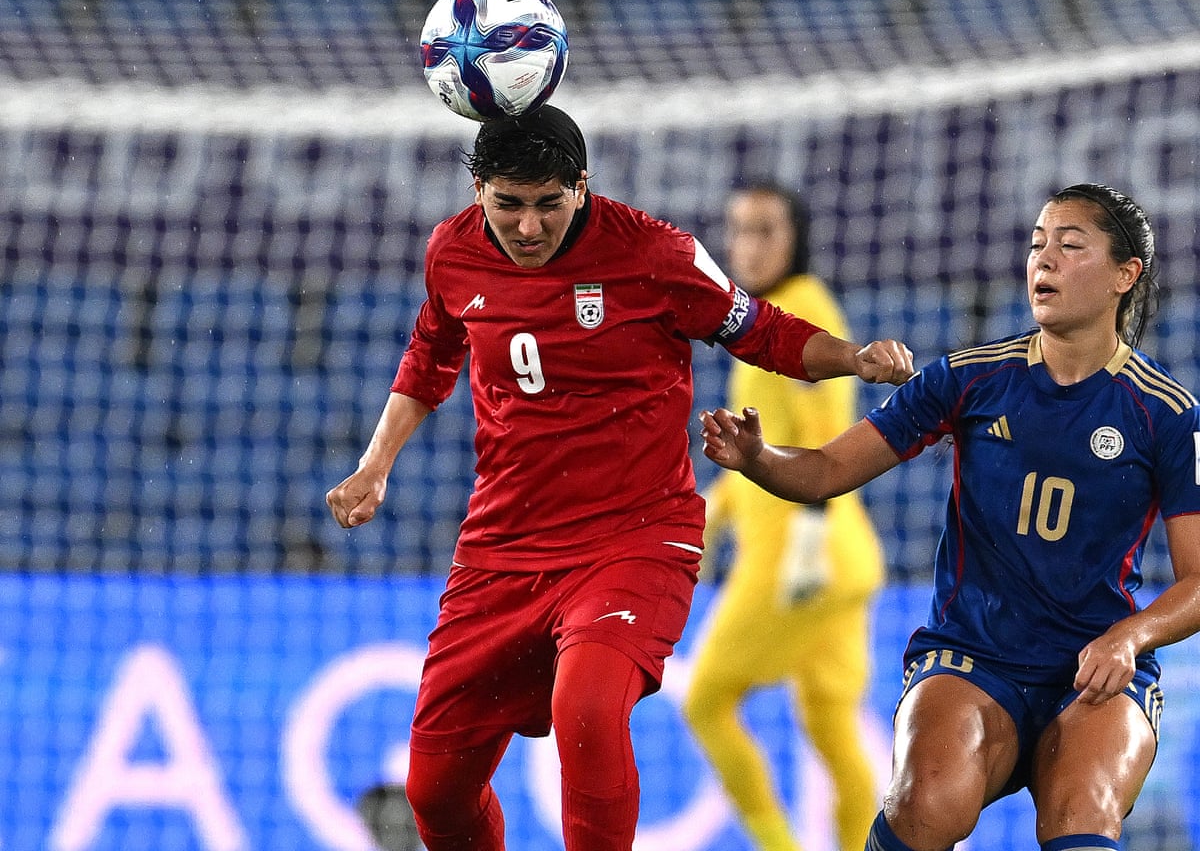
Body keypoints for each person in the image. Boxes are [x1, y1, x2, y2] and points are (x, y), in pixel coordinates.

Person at [325, 104, 914, 851]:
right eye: (509, 204)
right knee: (435, 793)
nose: (529, 226)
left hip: (634, 538)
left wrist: (853, 357)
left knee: (590, 710)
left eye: (549, 203)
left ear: (582, 187)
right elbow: (430, 357)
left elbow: (758, 330)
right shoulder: (453, 253)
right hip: (503, 548)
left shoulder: (654, 253)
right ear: (478, 190)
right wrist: (375, 466)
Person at [699, 183, 1200, 851]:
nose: (1043, 262)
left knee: (1083, 818)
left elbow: (1197, 581)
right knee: (922, 804)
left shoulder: (1166, 413)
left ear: (1124, 274)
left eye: (1070, 247)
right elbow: (824, 470)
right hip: (972, 657)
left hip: (1095, 670)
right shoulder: (970, 378)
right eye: (1036, 245)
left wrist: (1130, 638)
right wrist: (760, 458)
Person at [682, 183, 884, 851]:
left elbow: (827, 449)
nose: (749, 244)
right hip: (844, 562)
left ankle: (778, 845)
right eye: (739, 229)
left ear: (796, 236)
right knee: (830, 727)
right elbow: (762, 458)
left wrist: (805, 540)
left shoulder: (802, 313)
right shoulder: (761, 318)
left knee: (706, 701)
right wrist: (709, 513)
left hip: (800, 561)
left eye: (766, 229)